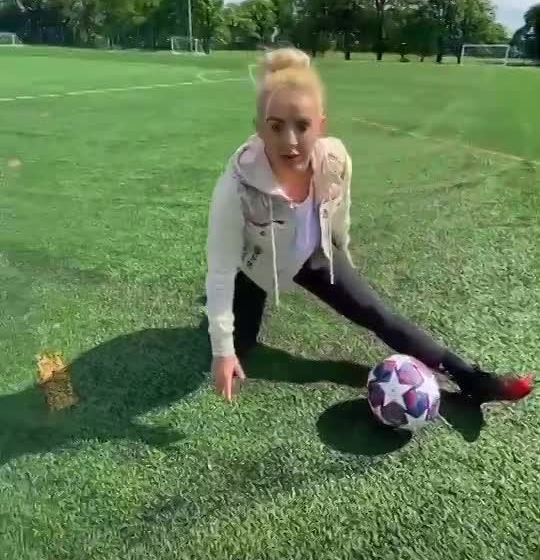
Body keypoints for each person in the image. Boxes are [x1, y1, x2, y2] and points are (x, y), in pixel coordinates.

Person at [205, 48, 534, 405]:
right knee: (239, 345)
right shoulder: (236, 185)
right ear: (258, 129)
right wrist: (223, 351)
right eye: (275, 127)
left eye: (302, 125)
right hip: (256, 264)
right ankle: (219, 319)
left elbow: (338, 213)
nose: (291, 141)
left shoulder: (335, 158)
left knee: (376, 313)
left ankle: (472, 379)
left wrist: (342, 256)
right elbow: (220, 270)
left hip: (313, 255)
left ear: (321, 125)